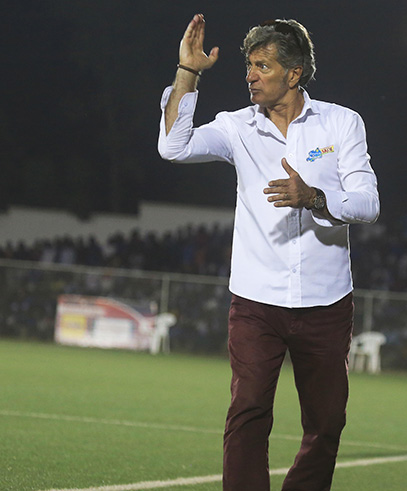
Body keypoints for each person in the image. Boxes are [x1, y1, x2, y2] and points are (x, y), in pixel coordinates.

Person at [158, 14, 379, 490]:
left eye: (261, 65)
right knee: (249, 410)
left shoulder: (342, 123)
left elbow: (367, 203)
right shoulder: (237, 127)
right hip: (256, 300)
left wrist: (315, 196)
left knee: (326, 425)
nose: (250, 75)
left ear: (293, 73)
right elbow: (173, 148)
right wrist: (187, 72)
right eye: (249, 65)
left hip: (326, 301)